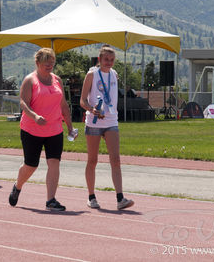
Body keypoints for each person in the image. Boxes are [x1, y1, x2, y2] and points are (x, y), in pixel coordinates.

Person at [8, 48, 74, 211]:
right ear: (37, 63)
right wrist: (35, 116)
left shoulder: (57, 80)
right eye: (46, 63)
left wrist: (70, 127)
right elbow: (23, 103)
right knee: (31, 165)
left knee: (54, 163)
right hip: (32, 129)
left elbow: (63, 105)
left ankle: (51, 199)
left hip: (54, 129)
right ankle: (17, 186)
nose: (50, 66)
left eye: (52, 63)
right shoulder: (30, 80)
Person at [80, 45, 134, 210]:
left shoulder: (114, 74)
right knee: (93, 160)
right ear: (99, 60)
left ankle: (120, 198)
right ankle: (91, 196)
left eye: (111, 60)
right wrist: (91, 109)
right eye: (106, 60)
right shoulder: (92, 74)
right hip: (94, 122)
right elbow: (82, 100)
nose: (109, 63)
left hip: (111, 120)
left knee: (115, 159)